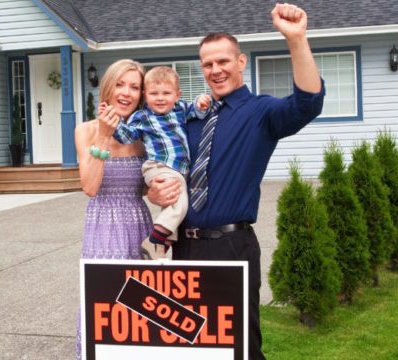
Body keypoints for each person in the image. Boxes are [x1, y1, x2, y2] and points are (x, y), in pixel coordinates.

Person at [148, 4, 325, 359]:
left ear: (240, 62)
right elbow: (164, 163)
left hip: (231, 245)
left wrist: (296, 40)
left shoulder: (261, 113)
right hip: (185, 248)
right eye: (208, 64)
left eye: (223, 61)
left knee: (239, 346)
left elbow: (307, 104)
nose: (216, 70)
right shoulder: (190, 118)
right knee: (191, 346)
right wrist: (152, 190)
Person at [73, 59, 151, 359]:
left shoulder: (144, 134)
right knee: (105, 306)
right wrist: (105, 134)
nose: (127, 92)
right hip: (102, 229)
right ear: (108, 87)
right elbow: (90, 187)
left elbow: (150, 190)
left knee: (141, 310)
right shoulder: (86, 130)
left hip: (138, 228)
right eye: (120, 84)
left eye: (134, 87)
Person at [109, 66, 209, 260]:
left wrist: (201, 102)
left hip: (178, 169)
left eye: (166, 93)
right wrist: (115, 122)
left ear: (177, 95)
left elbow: (197, 111)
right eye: (154, 93)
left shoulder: (180, 109)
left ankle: (159, 250)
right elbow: (127, 137)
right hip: (158, 166)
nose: (160, 98)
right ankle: (153, 240)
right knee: (180, 204)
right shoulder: (142, 117)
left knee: (172, 205)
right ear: (146, 95)